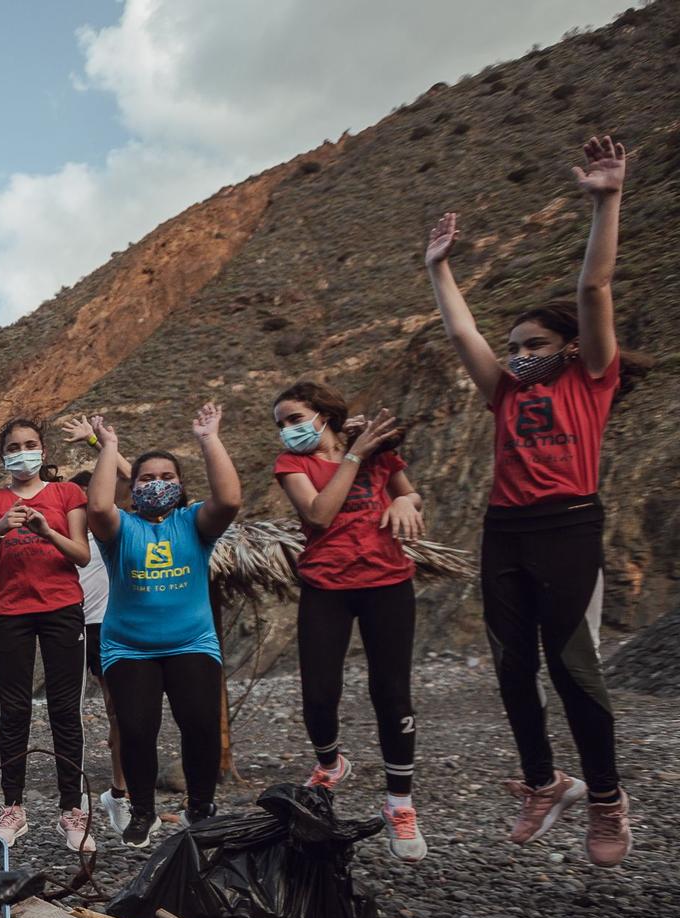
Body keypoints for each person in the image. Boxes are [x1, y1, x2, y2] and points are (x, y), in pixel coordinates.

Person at [424, 133, 643, 867]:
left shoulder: (592, 378)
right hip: (506, 530)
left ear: (569, 347)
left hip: (569, 528)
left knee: (574, 666)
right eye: (512, 343)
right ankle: (545, 783)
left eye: (532, 343)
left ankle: (607, 798)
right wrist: (440, 269)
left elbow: (593, 290)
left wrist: (606, 201)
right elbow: (462, 330)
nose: (517, 353)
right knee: (512, 667)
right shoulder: (504, 392)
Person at [74, 404, 241, 848]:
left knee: (202, 725)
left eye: (167, 476)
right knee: (136, 729)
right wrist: (107, 446)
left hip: (192, 644)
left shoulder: (194, 523)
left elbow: (229, 500)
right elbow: (97, 504)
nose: (157, 484)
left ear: (181, 486)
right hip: (129, 649)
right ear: (133, 487)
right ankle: (143, 811)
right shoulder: (120, 528)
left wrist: (209, 439)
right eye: (147, 478)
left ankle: (200, 806)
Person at [271, 384, 426, 862]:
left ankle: (399, 802)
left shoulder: (377, 453)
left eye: (295, 417)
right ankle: (331, 762)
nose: (288, 429)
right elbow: (318, 513)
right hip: (326, 586)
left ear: (323, 415)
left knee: (392, 691)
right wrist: (354, 456)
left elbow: (411, 496)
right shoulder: (292, 464)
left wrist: (406, 503)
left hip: (387, 582)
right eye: (280, 423)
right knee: (318, 692)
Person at [0, 419, 94, 851]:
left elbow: (81, 554)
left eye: (30, 445)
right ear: (2, 455)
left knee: (65, 709)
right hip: (10, 612)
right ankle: (13, 808)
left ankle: (71, 811)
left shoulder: (67, 494)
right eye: (13, 447)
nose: (22, 452)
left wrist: (48, 531)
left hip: (63, 607)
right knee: (14, 709)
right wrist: (2, 527)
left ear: (43, 451)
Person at [69, 468, 130, 836]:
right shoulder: (63, 533)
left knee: (120, 712)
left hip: (112, 625)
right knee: (69, 712)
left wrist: (98, 442)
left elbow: (128, 475)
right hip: (71, 624)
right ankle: (74, 799)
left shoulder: (115, 528)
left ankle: (119, 793)